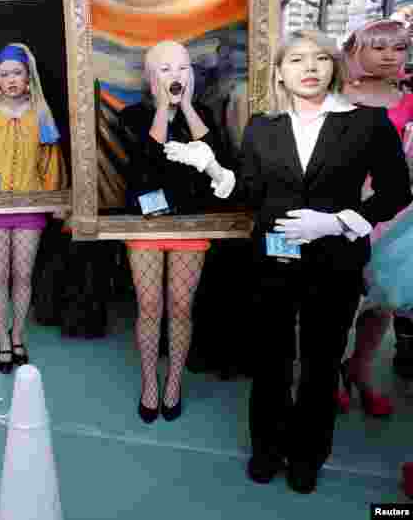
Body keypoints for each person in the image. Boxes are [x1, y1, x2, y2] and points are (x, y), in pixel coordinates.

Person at [165, 30, 411, 494]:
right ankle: (266, 448)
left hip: (335, 257)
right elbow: (253, 193)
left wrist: (339, 221)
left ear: (334, 67)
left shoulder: (367, 123)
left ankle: (307, 455)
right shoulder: (263, 127)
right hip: (273, 257)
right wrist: (213, 168)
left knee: (321, 361)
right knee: (271, 357)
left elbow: (397, 190)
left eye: (320, 58)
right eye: (297, 59)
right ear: (280, 71)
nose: (310, 67)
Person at [118, 41, 228, 423]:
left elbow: (218, 161)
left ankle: (174, 381)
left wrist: (190, 109)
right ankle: (150, 381)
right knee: (149, 307)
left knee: (181, 307)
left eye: (182, 68)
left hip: (191, 226)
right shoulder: (132, 117)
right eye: (165, 69)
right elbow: (144, 166)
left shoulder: (206, 116)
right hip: (145, 225)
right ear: (151, 79)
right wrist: (165, 109)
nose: (175, 75)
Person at [0, 43, 67, 374]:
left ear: (27, 75)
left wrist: (58, 198)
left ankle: (18, 336)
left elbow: (51, 161)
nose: (10, 79)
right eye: (4, 74)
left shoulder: (41, 114)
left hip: (30, 208)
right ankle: (2, 341)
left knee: (22, 275)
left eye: (16, 72)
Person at [336, 18, 413, 417]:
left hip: (392, 212)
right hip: (338, 206)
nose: (388, 55)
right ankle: (332, 372)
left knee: (380, 301)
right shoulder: (336, 92)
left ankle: (360, 370)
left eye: (397, 47)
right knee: (338, 297)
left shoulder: (409, 100)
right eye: (378, 46)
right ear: (358, 50)